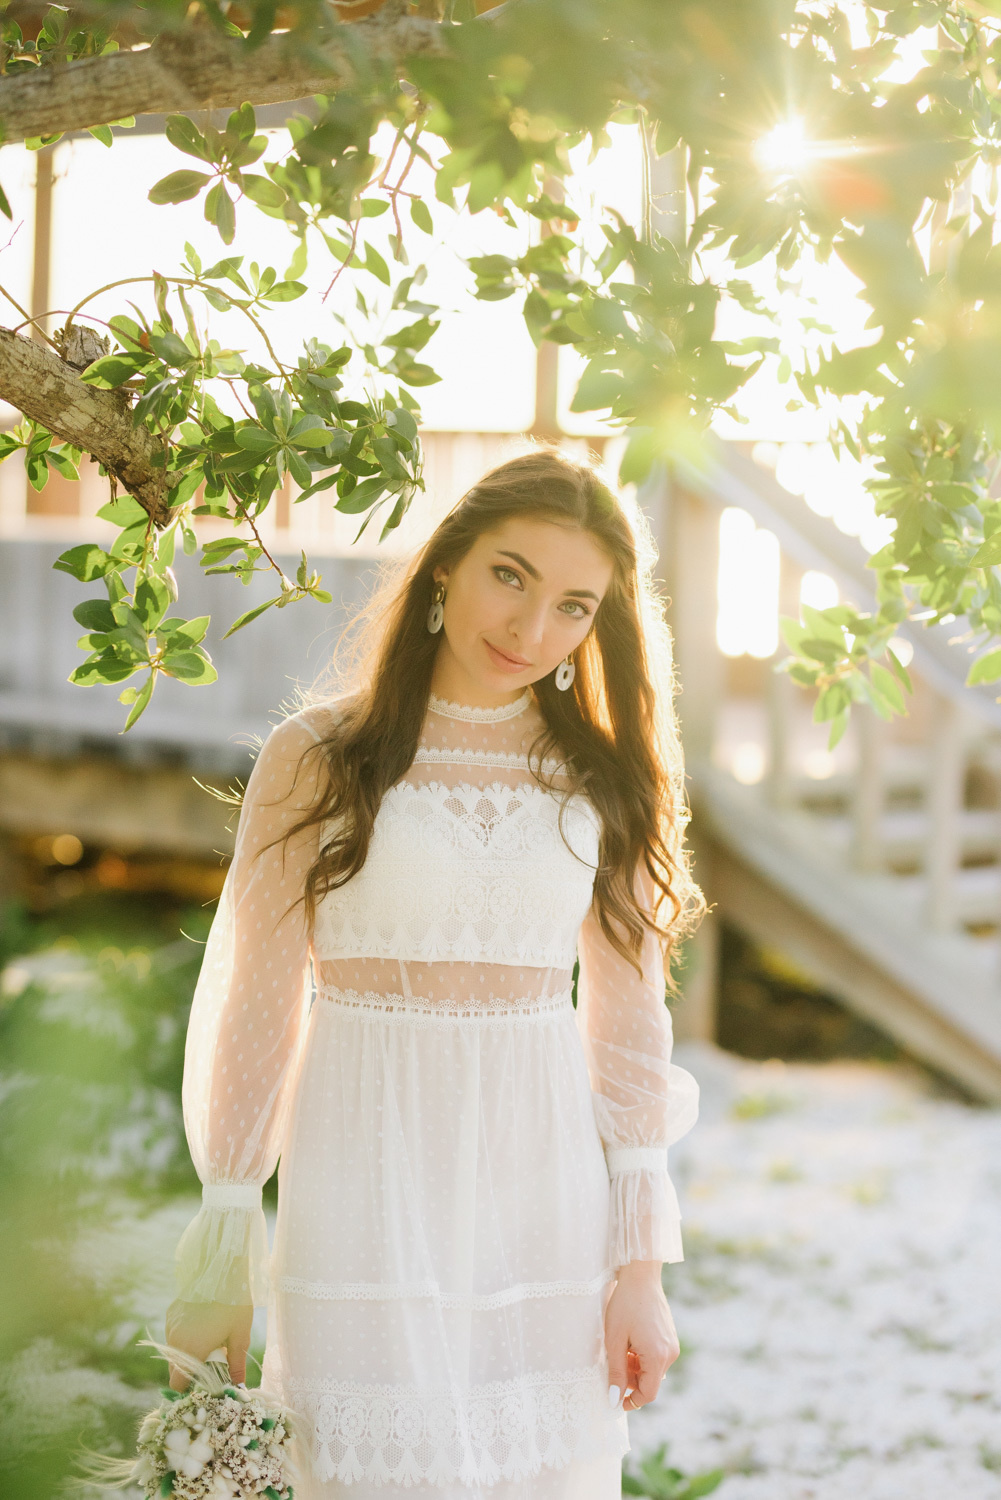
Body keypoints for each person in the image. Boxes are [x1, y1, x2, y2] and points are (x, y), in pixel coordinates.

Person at [164, 445, 704, 1499]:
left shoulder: (601, 776)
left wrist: (636, 1271)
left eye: (571, 606)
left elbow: (629, 1026)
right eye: (510, 574)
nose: (529, 628)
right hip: (362, 1178)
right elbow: (256, 1011)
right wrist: (224, 1245)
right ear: (446, 565)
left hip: (538, 1195)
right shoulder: (314, 756)